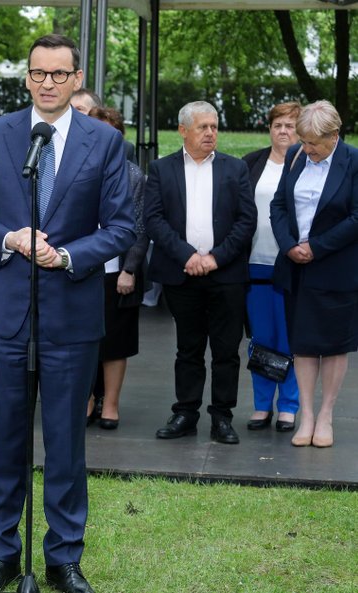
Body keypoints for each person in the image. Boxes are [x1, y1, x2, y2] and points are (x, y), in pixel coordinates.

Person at [0, 34, 135, 593]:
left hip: (73, 318)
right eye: (39, 73)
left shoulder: (104, 142)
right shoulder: (0, 133)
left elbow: (122, 227)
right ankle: (1, 554)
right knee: (4, 440)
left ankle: (63, 558)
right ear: (27, 77)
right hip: (8, 314)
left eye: (59, 74)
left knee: (65, 443)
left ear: (76, 78)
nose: (49, 83)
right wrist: (8, 237)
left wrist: (67, 255)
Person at [145, 101, 256, 445]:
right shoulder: (161, 169)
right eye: (203, 127)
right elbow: (153, 220)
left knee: (226, 350)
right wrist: (189, 256)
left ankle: (222, 417)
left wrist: (215, 258)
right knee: (188, 349)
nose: (210, 133)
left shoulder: (235, 168)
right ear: (183, 130)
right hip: (182, 273)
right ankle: (185, 413)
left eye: (214, 126)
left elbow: (246, 220)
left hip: (226, 274)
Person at [270, 100, 358, 448]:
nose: (307, 149)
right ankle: (306, 416)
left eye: (313, 144)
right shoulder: (295, 156)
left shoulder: (353, 161)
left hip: (336, 269)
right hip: (295, 267)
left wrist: (316, 247)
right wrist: (290, 244)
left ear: (334, 135)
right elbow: (278, 205)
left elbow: (356, 217)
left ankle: (326, 416)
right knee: (303, 344)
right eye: (303, 142)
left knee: (335, 345)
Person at [86, 106, 148, 430]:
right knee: (82, 340)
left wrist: (130, 269)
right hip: (80, 270)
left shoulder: (134, 175)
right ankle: (87, 400)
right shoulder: (75, 169)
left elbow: (139, 227)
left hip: (118, 272)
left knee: (115, 343)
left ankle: (109, 404)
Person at [242, 102, 302, 432]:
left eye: (290, 125)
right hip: (254, 264)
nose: (283, 131)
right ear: (270, 128)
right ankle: (262, 405)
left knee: (290, 338)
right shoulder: (252, 163)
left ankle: (289, 407)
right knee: (261, 338)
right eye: (278, 125)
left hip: (292, 266)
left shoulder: (307, 164)